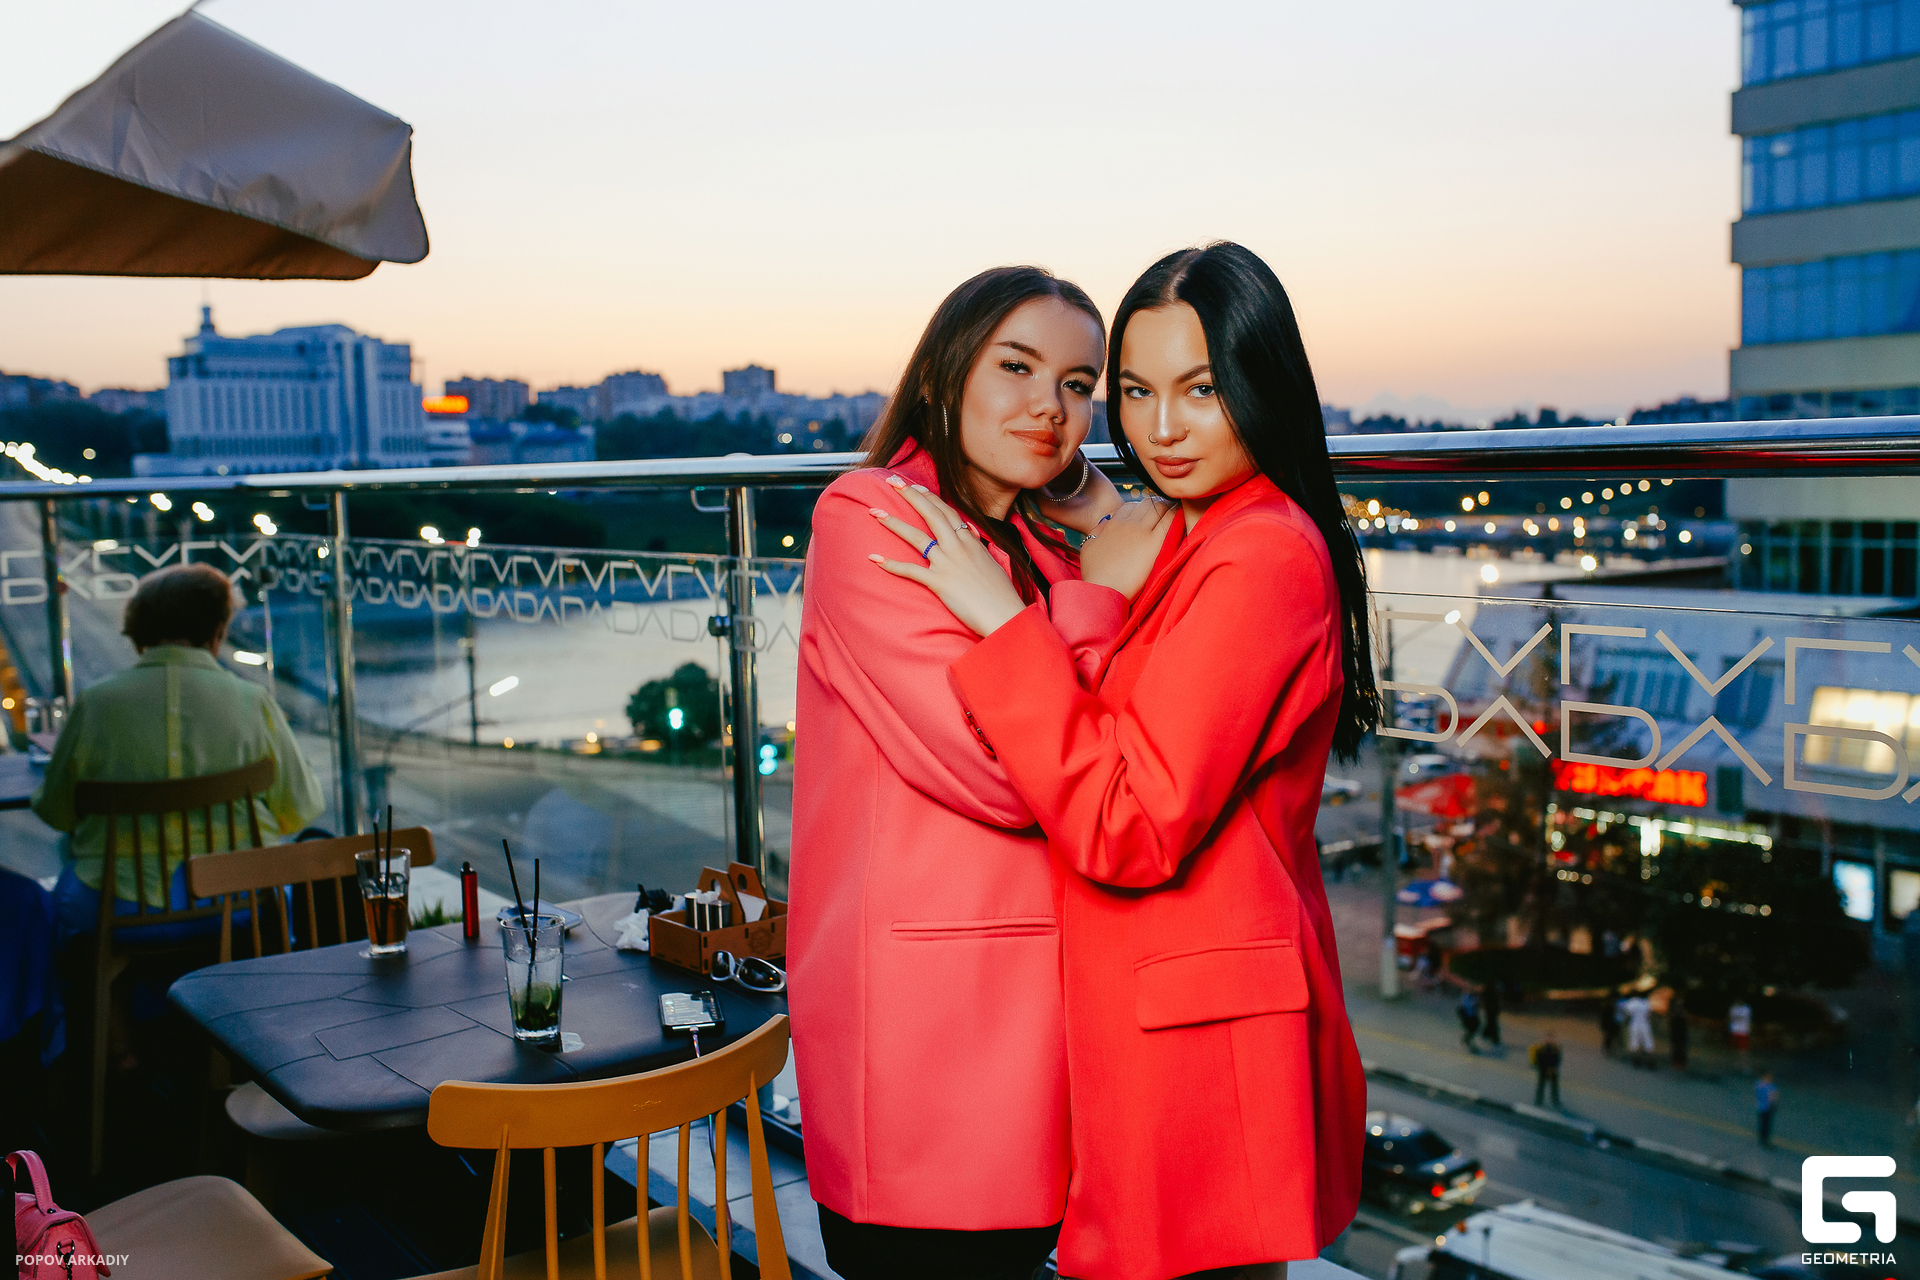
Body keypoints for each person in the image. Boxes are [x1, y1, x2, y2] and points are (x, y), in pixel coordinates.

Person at [873, 242, 1377, 1280]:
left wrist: (1005, 621)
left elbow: (1127, 822)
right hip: (1160, 1005)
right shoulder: (1197, 530)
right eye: (1137, 391)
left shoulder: (1262, 553)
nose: (1161, 428)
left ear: (1262, 384)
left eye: (1201, 389)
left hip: (1197, 1023)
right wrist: (1103, 535)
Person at [786, 265, 1120, 1280]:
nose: (1050, 406)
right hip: (928, 1037)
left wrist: (1100, 531)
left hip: (1043, 1033)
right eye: (1016, 366)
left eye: (1078, 384)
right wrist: (1073, 602)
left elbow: (1113, 757)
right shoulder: (871, 515)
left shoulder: (1041, 546)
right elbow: (1013, 775)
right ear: (944, 370)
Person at [33, 563, 324, 948]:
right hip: (237, 903)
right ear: (218, 630)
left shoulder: (94, 705)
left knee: (57, 902)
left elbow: (55, 812)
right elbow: (300, 808)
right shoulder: (253, 703)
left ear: (139, 631)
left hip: (116, 909)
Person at [1621, 992, 1656, 1067]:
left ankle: (1637, 1060)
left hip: (1634, 1025)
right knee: (1648, 1042)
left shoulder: (1632, 1002)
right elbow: (1649, 1014)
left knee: (1634, 1042)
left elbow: (1627, 1013)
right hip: (1645, 1025)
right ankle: (1650, 1061)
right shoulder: (1646, 1003)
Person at [1530, 1031, 1563, 1107]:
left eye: (1551, 1038)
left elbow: (1557, 1060)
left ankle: (1554, 1101)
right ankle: (1539, 1100)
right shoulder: (1541, 1048)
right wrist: (1546, 1068)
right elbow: (1539, 1060)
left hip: (1551, 1070)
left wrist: (1552, 1068)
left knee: (1553, 1087)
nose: (1550, 1040)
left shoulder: (1555, 1049)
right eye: (1548, 1038)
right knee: (1542, 1086)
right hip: (1544, 1070)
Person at [1727, 997, 1753, 1073]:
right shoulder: (1733, 1008)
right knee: (1734, 1050)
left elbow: (1748, 1021)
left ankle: (1744, 1067)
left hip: (1743, 1032)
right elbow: (1729, 1018)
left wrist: (1749, 1031)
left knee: (1743, 1051)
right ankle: (1735, 1066)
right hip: (1734, 1031)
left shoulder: (1746, 1009)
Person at [1755, 1072, 1779, 1146]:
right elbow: (1773, 1095)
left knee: (1765, 1123)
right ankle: (1763, 1139)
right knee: (1765, 1124)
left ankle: (1763, 1137)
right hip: (1765, 1107)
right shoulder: (1767, 1086)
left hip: (1764, 1107)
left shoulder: (1760, 1084)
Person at [1457, 987, 1482, 1053]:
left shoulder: (1473, 997)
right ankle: (1467, 1041)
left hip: (1473, 1017)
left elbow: (1475, 1006)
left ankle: (1467, 1040)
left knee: (1472, 1030)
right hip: (1468, 1017)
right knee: (1471, 1030)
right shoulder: (1466, 997)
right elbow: (1465, 1006)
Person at [1668, 993, 1690, 1070]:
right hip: (1676, 1027)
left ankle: (1681, 1062)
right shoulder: (1674, 1004)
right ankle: (1677, 1062)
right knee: (1677, 1046)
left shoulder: (1683, 1004)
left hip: (1681, 1028)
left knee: (1681, 1046)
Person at [1481, 981, 1503, 1049]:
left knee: (1491, 1022)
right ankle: (1492, 1037)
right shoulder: (1493, 991)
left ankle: (1487, 1035)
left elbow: (1483, 998)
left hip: (1490, 1009)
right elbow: (1496, 1001)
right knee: (1492, 1023)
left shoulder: (1488, 991)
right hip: (1492, 1009)